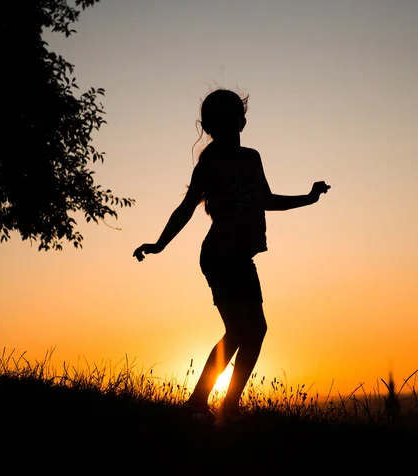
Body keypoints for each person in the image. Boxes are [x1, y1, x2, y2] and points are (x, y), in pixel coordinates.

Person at [133, 89, 330, 422]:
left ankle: (230, 405)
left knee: (257, 330)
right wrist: (159, 244)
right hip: (220, 255)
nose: (229, 124)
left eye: (233, 116)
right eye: (220, 120)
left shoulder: (252, 158)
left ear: (243, 120)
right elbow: (186, 207)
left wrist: (308, 198)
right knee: (239, 330)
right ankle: (197, 402)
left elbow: (265, 199)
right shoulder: (209, 163)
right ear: (210, 126)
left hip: (243, 258)